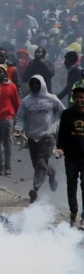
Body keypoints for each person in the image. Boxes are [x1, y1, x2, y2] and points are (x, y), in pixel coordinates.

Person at [15, 75, 64, 203]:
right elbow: (20, 117)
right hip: (32, 138)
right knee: (38, 165)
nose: (35, 87)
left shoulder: (52, 99)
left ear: (42, 85)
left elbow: (64, 113)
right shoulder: (26, 101)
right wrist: (18, 129)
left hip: (48, 137)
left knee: (41, 163)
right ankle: (51, 174)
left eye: (37, 84)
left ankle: (35, 190)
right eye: (33, 85)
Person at [56, 87, 84, 227]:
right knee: (71, 186)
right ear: (73, 98)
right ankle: (73, 212)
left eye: (82, 97)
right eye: (77, 97)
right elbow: (61, 135)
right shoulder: (67, 114)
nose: (80, 100)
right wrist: (60, 149)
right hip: (71, 157)